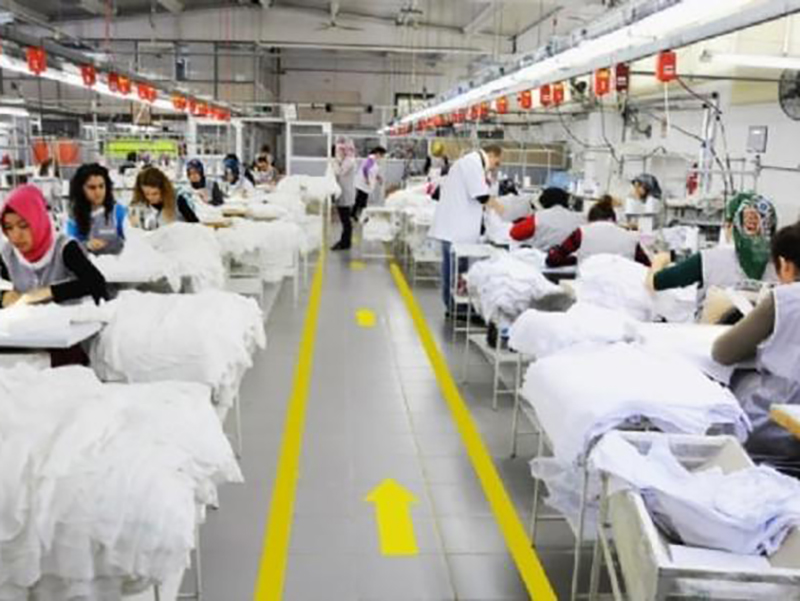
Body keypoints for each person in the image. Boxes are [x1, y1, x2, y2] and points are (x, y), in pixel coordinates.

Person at [712, 223, 800, 459]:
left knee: (740, 380)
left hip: (778, 428)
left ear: (785, 265)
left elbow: (723, 353)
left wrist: (762, 345)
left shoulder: (785, 298)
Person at [0, 184, 108, 307]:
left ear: (38, 221)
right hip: (29, 319)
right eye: (8, 227)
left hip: (70, 317)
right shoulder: (9, 253)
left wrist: (49, 292)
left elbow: (96, 284)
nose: (15, 235)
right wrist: (3, 297)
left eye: (23, 226)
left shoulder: (64, 248)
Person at [648, 193, 778, 294]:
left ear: (730, 227)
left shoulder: (708, 260)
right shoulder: (782, 267)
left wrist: (660, 259)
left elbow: (655, 283)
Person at [430, 144, 505, 312]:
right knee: (456, 270)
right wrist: (503, 210)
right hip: (456, 229)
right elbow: (481, 196)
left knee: (453, 269)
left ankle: (453, 306)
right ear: (492, 155)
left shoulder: (471, 163)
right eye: (497, 162)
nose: (495, 167)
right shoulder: (473, 163)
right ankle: (456, 308)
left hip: (455, 228)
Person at [546, 196, 651, 267]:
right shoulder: (631, 237)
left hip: (589, 286)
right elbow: (647, 265)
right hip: (622, 288)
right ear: (613, 219)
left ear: (589, 219)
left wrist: (574, 260)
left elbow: (554, 259)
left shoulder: (581, 233)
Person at [66, 164, 127, 256]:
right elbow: (70, 245)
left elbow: (129, 243)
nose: (98, 192)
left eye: (101, 186)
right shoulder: (74, 214)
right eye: (92, 187)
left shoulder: (118, 211)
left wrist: (111, 244)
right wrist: (87, 245)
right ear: (81, 189)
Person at [510, 187, 584, 251]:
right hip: (573, 259)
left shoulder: (540, 216)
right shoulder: (580, 218)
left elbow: (515, 233)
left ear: (544, 202)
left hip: (542, 257)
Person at [129, 166, 199, 230]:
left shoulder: (178, 201)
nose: (150, 198)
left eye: (155, 193)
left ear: (163, 190)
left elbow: (196, 226)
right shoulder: (139, 206)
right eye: (146, 194)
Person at [331, 137, 357, 251]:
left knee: (345, 220)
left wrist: (335, 161)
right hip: (343, 192)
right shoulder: (346, 160)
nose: (339, 152)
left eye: (341, 149)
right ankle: (345, 241)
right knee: (345, 220)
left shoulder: (349, 161)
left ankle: (345, 243)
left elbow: (339, 172)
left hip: (345, 194)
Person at [353, 146, 387, 221]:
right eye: (382, 155)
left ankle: (355, 214)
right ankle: (360, 215)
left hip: (364, 183)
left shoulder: (373, 159)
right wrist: (366, 179)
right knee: (362, 200)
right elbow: (365, 169)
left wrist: (378, 177)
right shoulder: (371, 159)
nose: (382, 157)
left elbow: (372, 171)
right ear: (378, 153)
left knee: (360, 199)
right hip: (363, 183)